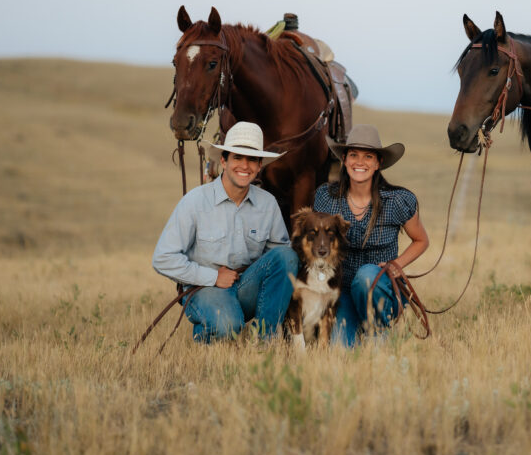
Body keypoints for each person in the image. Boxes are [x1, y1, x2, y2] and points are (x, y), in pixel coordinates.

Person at [152, 122, 298, 343]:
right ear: (223, 161)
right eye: (237, 157)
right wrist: (213, 277)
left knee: (287, 256)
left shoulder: (268, 204)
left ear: (260, 166)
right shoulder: (195, 201)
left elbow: (278, 261)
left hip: (245, 285)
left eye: (252, 160)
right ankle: (209, 332)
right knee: (228, 327)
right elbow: (162, 258)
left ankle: (264, 340)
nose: (244, 166)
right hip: (204, 289)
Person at [313, 124, 430, 346]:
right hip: (342, 291)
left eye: (368, 156)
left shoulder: (397, 200)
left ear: (378, 163)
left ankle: (377, 332)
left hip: (380, 288)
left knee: (367, 275)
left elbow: (421, 240)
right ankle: (353, 326)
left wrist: (397, 264)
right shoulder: (326, 197)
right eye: (354, 155)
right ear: (344, 159)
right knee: (340, 350)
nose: (360, 162)